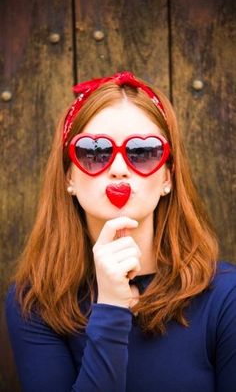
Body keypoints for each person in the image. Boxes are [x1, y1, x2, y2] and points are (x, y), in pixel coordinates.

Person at [5, 71, 236, 392]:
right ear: (68, 176)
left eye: (142, 152)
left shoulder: (226, 296)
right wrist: (111, 306)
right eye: (94, 151)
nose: (118, 167)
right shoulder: (33, 303)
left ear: (168, 177)